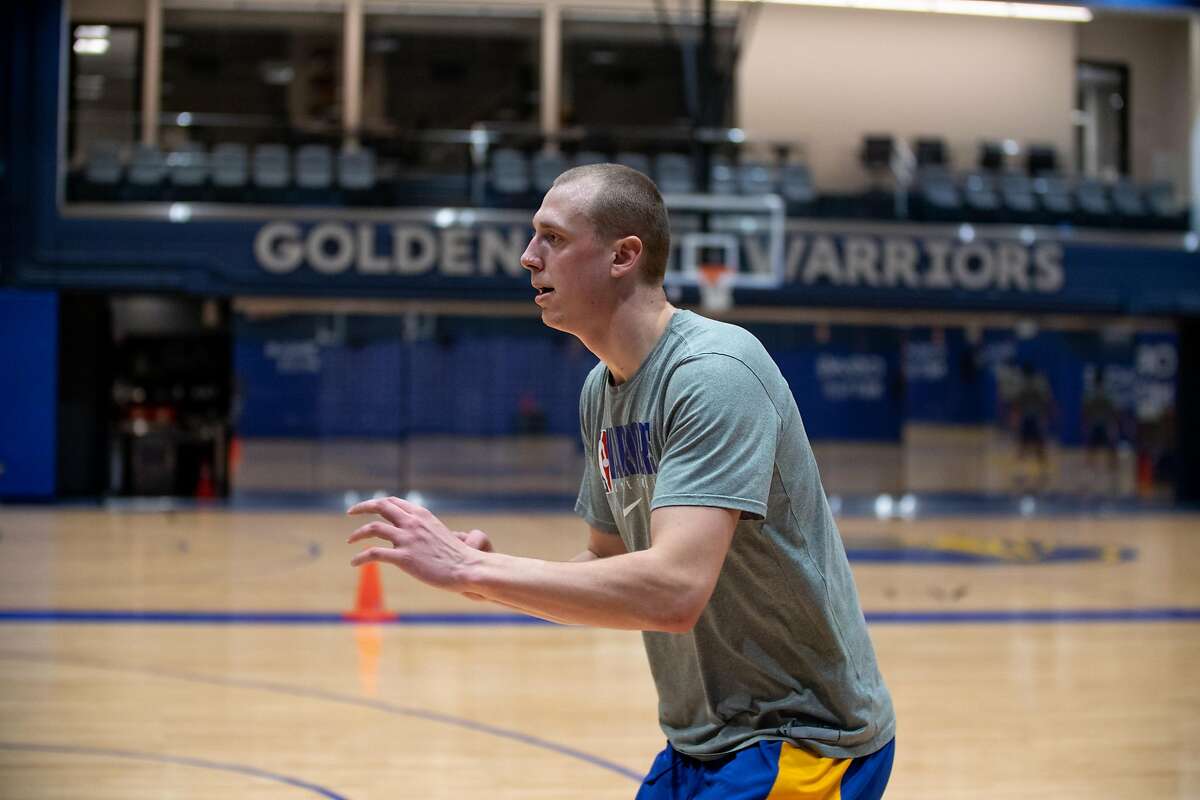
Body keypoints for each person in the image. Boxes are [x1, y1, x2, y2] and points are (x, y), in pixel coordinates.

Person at [345, 164, 896, 799]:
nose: (528, 257)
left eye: (551, 237)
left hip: (801, 739)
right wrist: (493, 577)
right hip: (704, 740)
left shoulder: (712, 373)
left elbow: (673, 592)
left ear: (623, 256)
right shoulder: (601, 390)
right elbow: (606, 563)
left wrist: (470, 573)